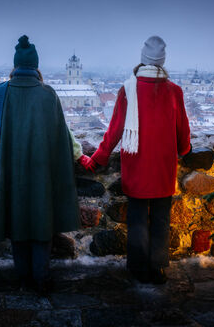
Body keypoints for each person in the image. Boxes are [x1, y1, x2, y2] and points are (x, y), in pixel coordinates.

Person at [82, 36, 191, 284]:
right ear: (162, 62)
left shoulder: (127, 89)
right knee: (161, 220)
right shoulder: (174, 91)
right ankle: (157, 268)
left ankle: (138, 267)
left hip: (137, 166)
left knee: (138, 219)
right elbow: (182, 131)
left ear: (143, 60)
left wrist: (96, 160)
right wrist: (185, 149)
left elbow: (115, 131)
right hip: (163, 167)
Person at [0, 35, 82, 293]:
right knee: (41, 223)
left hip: (9, 172)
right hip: (42, 173)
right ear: (36, 66)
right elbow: (61, 137)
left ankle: (24, 277)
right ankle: (41, 277)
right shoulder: (48, 95)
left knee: (16, 223)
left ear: (16, 65)